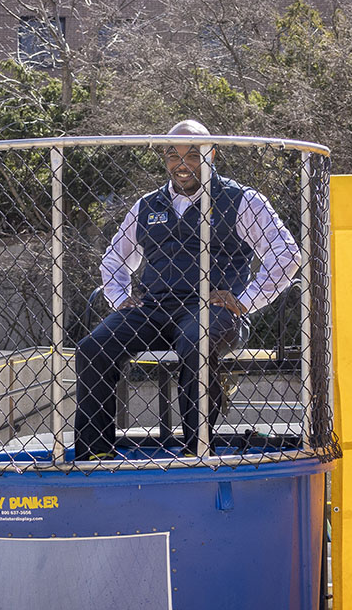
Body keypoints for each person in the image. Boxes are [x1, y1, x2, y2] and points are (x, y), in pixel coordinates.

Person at [74, 120, 301, 460]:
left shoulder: (241, 200)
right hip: (153, 309)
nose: (182, 165)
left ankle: (198, 449)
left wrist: (245, 300)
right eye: (172, 155)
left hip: (212, 312)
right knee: (92, 348)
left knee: (194, 341)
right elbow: (112, 260)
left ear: (213, 153)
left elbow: (286, 254)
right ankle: (95, 453)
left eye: (193, 155)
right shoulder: (147, 205)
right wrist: (121, 298)